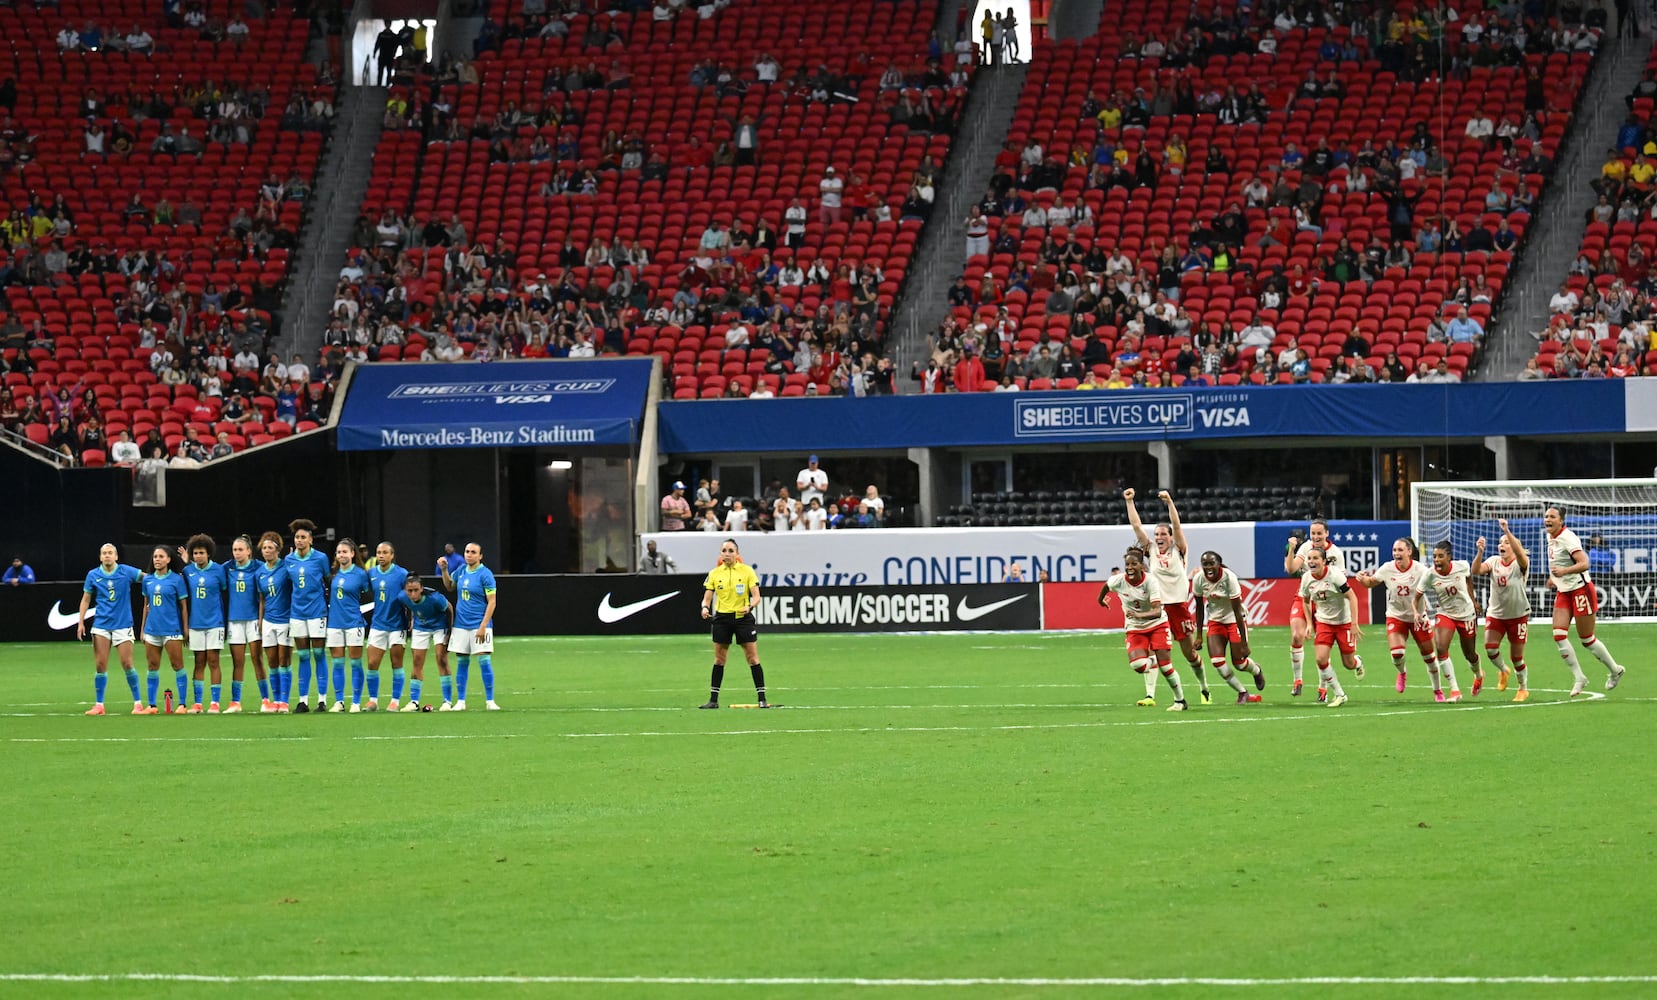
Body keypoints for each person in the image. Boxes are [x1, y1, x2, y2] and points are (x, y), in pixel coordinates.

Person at [1125, 489, 1209, 702]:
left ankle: (1204, 688)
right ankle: (1149, 695)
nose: (1160, 537)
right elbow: (1136, 526)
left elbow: (1178, 525)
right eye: (1157, 535)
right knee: (1153, 651)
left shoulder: (1179, 549)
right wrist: (1129, 501)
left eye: (1164, 534)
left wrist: (1170, 502)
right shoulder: (1151, 550)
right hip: (1157, 608)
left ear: (1171, 537)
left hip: (1178, 607)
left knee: (1189, 654)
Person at [1544, 506, 1625, 696]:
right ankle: (1579, 677)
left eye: (1552, 517)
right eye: (1546, 516)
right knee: (1558, 634)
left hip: (1581, 590)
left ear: (1561, 521)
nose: (1548, 519)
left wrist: (1562, 572)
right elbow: (1559, 561)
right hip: (1564, 591)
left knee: (1587, 639)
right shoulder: (1551, 537)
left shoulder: (1568, 537)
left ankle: (1615, 670)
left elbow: (1584, 563)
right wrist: (1554, 578)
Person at [1099, 546, 1188, 711]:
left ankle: (1180, 701)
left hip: (1157, 625)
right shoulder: (1117, 580)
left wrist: (1139, 615)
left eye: (1134, 564)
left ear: (1142, 566)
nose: (1129, 568)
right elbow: (1106, 587)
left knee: (1167, 667)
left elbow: (1157, 611)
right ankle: (1154, 660)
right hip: (1134, 628)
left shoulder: (1151, 581)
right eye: (1127, 565)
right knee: (1138, 665)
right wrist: (1101, 600)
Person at [1354, 538, 1438, 695]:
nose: (1396, 553)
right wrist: (1362, 579)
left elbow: (1437, 584)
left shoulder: (1420, 570)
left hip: (1418, 618)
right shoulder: (1387, 568)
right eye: (1394, 550)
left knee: (1430, 658)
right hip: (1396, 616)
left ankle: (1437, 691)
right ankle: (1402, 672)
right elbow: (1371, 582)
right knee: (1397, 654)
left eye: (1400, 550)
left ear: (1409, 552)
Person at [77, 543, 147, 715]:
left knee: (127, 663)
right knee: (100, 665)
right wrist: (80, 622)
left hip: (123, 624)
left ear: (116, 556)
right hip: (101, 624)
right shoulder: (93, 575)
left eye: (110, 553)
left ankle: (138, 703)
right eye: (104, 553)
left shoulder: (126, 571)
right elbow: (86, 599)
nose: (107, 555)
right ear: (100, 557)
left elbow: (148, 579)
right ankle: (99, 705)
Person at [699, 538, 769, 709]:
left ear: (737, 554)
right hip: (722, 619)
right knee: (719, 659)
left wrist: (750, 606)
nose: (727, 554)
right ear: (720, 554)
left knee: (752, 658)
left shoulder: (747, 571)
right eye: (724, 550)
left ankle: (762, 699)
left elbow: (757, 596)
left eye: (731, 550)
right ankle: (713, 700)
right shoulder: (714, 573)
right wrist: (704, 608)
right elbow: (707, 597)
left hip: (742, 619)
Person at [1190, 551, 1265, 703]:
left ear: (1219, 564)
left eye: (1212, 563)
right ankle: (1242, 692)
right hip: (1215, 621)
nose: (1208, 567)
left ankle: (1256, 670)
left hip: (1233, 619)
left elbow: (1237, 611)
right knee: (1217, 661)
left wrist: (1244, 643)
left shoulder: (1229, 578)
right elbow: (1199, 608)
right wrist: (1198, 636)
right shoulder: (1198, 579)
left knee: (1239, 663)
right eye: (1205, 564)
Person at [1471, 518, 1532, 702]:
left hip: (1518, 615)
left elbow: (1521, 555)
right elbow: (1476, 570)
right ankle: (1503, 670)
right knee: (1490, 648)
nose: (1501, 545)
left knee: (1517, 658)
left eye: (1506, 542)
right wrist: (1480, 552)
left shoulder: (1521, 563)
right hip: (1496, 614)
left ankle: (1523, 688)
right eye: (1500, 542)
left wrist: (1507, 531)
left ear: (1514, 547)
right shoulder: (1494, 561)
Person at [1283, 519, 1345, 696]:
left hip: (1327, 602)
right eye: (1313, 533)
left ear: (1327, 533)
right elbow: (1290, 568)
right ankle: (1297, 680)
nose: (1316, 537)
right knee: (1296, 635)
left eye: (1319, 533)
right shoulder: (1305, 548)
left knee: (1322, 644)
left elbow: (1341, 584)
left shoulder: (1336, 553)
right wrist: (1291, 549)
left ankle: (1323, 687)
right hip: (1306, 595)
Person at [1297, 546, 1360, 707]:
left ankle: (1357, 662)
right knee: (1320, 659)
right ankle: (1339, 694)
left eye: (1315, 558)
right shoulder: (1306, 579)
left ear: (1324, 561)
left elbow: (1352, 596)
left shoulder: (1335, 576)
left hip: (1343, 622)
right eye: (1309, 559)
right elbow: (1305, 600)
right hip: (1324, 622)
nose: (1311, 562)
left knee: (1348, 664)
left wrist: (1354, 623)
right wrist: (1310, 624)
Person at [441, 542, 498, 711]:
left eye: (473, 552)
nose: (469, 554)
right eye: (467, 551)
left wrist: (483, 625)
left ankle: (490, 701)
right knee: (462, 662)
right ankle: (461, 701)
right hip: (461, 624)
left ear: (480, 556)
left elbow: (492, 602)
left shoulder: (485, 574)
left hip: (479, 625)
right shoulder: (460, 570)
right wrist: (444, 570)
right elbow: (450, 586)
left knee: (484, 660)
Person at [1422, 540, 1482, 702]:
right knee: (1441, 648)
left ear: (1449, 557)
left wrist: (1473, 599)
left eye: (1440, 556)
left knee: (1470, 654)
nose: (1436, 560)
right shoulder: (1430, 574)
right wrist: (1416, 612)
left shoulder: (1462, 566)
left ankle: (1478, 674)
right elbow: (1418, 595)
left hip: (1466, 614)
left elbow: (1469, 578)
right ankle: (1454, 690)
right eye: (1434, 556)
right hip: (1445, 613)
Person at [284, 518, 334, 713]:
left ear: (311, 540)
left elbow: (327, 580)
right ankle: (303, 700)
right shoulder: (289, 560)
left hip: (317, 612)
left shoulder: (320, 558)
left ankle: (322, 700)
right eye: (297, 537)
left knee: (319, 653)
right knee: (303, 656)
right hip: (297, 613)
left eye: (303, 537)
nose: (299, 540)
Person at [219, 535, 270, 713]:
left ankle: (266, 700)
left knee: (257, 659)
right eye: (235, 550)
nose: (237, 553)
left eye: (241, 549)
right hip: (235, 620)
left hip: (254, 619)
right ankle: (235, 702)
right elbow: (209, 571)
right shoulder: (227, 568)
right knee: (237, 661)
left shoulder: (259, 567)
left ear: (249, 551)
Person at [181, 533, 229, 713]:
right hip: (195, 623)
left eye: (201, 552)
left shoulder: (218, 570)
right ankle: (198, 703)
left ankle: (215, 703)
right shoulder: (188, 571)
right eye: (195, 553)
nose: (198, 556)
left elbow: (224, 591)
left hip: (215, 622)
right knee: (198, 662)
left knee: (213, 661)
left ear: (208, 553)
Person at [140, 545, 191, 714]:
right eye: (155, 556)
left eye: (161, 556)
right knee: (152, 666)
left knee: (177, 665)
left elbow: (183, 606)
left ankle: (182, 704)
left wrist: (185, 628)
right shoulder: (148, 580)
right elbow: (146, 606)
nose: (157, 559)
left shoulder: (176, 579)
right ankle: (152, 705)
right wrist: (142, 629)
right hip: (152, 629)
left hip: (172, 629)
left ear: (168, 559)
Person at [394, 575, 453, 711]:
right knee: (417, 660)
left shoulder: (435, 598)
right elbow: (410, 606)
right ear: (405, 590)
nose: (413, 594)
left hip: (439, 626)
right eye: (410, 591)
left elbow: (449, 608)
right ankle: (414, 702)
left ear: (421, 589)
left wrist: (450, 633)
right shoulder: (402, 597)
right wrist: (411, 619)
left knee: (441, 659)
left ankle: (447, 701)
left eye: (416, 590)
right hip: (421, 627)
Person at [326, 540, 371, 712]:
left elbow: (367, 594)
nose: (341, 555)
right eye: (338, 552)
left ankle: (356, 702)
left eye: (345, 551)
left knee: (355, 663)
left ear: (352, 553)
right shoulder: (333, 575)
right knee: (337, 663)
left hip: (353, 622)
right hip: (335, 623)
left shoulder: (360, 574)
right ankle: (339, 701)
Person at [365, 541, 410, 711]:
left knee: (396, 663)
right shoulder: (372, 574)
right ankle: (373, 701)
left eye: (385, 552)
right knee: (372, 663)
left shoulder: (401, 574)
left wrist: (412, 618)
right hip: (378, 624)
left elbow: (410, 596)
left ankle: (395, 701)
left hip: (397, 625)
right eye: (378, 552)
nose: (381, 556)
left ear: (392, 555)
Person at [256, 532, 294, 712]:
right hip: (268, 621)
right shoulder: (260, 573)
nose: (266, 551)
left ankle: (284, 701)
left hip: (285, 620)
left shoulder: (286, 567)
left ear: (278, 550)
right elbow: (262, 599)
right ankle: (275, 700)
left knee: (283, 660)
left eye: (270, 548)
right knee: (271, 661)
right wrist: (260, 620)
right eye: (264, 548)